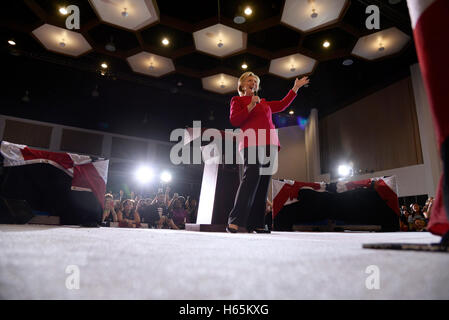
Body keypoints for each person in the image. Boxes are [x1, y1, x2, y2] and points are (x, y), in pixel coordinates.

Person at [226, 71, 309, 233]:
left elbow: (283, 104)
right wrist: (250, 105)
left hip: (270, 144)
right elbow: (234, 120)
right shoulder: (237, 100)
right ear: (242, 85)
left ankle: (256, 224)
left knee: (263, 184)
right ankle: (234, 220)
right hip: (251, 143)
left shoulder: (264, 103)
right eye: (250, 80)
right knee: (249, 180)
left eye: (255, 81)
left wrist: (295, 88)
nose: (253, 83)